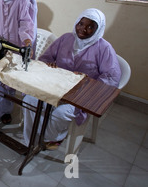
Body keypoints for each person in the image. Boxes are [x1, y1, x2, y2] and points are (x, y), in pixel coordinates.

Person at [22, 8, 121, 150]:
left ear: (98, 29)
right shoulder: (66, 38)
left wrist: (87, 82)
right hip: (55, 87)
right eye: (81, 24)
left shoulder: (104, 48)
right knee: (29, 101)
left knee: (60, 113)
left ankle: (51, 138)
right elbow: (45, 58)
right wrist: (49, 64)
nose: (83, 29)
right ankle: (31, 139)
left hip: (81, 96)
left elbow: (112, 78)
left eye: (90, 27)